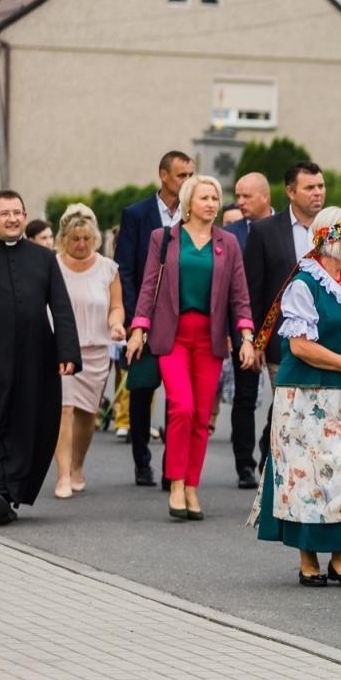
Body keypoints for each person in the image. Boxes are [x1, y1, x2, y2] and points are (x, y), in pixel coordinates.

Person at [252, 207, 341, 585]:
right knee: (310, 475)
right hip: (307, 398)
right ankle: (308, 558)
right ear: (335, 239)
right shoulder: (304, 283)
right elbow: (300, 346)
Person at [125, 176, 258, 521]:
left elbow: (240, 297)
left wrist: (245, 337)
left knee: (201, 415)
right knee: (181, 408)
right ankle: (176, 482)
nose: (212, 203)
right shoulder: (164, 238)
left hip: (209, 339)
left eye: (216, 197)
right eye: (205, 198)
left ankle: (192, 485)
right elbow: (149, 286)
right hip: (173, 336)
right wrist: (138, 329)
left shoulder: (227, 244)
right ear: (188, 203)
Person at [0, 190, 81, 524]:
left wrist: (67, 351)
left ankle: (10, 493)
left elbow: (61, 307)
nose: (12, 219)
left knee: (29, 424)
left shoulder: (44, 258)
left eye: (17, 212)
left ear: (24, 215)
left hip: (36, 358)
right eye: (3, 213)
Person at [244, 160, 329, 467]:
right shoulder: (265, 232)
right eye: (310, 187)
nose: (317, 193)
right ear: (291, 192)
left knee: (317, 409)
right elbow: (252, 290)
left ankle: (307, 468)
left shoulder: (336, 228)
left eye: (320, 186)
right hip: (282, 340)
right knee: (288, 404)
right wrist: (254, 340)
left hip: (329, 340)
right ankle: (275, 466)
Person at [116, 150, 194, 487]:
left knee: (179, 398)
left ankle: (170, 466)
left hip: (181, 321)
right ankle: (141, 459)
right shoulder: (136, 215)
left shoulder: (196, 216)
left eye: (191, 175)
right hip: (144, 320)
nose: (187, 181)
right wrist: (137, 320)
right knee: (142, 389)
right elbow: (127, 270)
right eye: (182, 175)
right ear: (163, 175)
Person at [52, 205, 126, 498]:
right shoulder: (53, 266)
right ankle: (62, 476)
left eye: (86, 239)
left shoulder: (108, 268)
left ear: (94, 238)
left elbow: (116, 306)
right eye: (75, 239)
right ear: (64, 239)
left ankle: (77, 466)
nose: (81, 244)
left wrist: (117, 324)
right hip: (61, 348)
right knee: (64, 408)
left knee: (87, 414)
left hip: (96, 350)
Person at [226, 171, 272, 488]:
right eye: (237, 196)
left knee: (283, 394)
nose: (240, 202)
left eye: (246, 196)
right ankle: (245, 464)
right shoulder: (230, 235)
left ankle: (269, 451)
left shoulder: (283, 229)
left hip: (282, 326)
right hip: (244, 327)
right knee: (245, 397)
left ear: (265, 196)